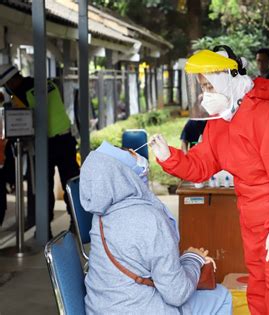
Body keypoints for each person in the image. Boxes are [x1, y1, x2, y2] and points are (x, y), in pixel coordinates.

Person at [150, 46, 269, 314]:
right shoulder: (219, 123)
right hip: (252, 218)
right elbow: (201, 164)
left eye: (210, 85)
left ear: (229, 79)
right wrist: (168, 156)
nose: (206, 93)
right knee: (260, 288)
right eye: (202, 86)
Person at [80, 141, 232, 315]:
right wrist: (194, 259)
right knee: (221, 297)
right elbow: (176, 294)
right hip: (141, 308)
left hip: (100, 308)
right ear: (122, 174)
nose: (139, 157)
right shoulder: (149, 218)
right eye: (131, 154)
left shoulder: (99, 216)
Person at [0, 64, 80, 237]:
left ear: (11, 81)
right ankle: (78, 223)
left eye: (6, 85)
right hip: (65, 138)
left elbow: (24, 122)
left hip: (46, 143)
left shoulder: (21, 93)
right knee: (71, 183)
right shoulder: (45, 82)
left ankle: (44, 230)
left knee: (44, 186)